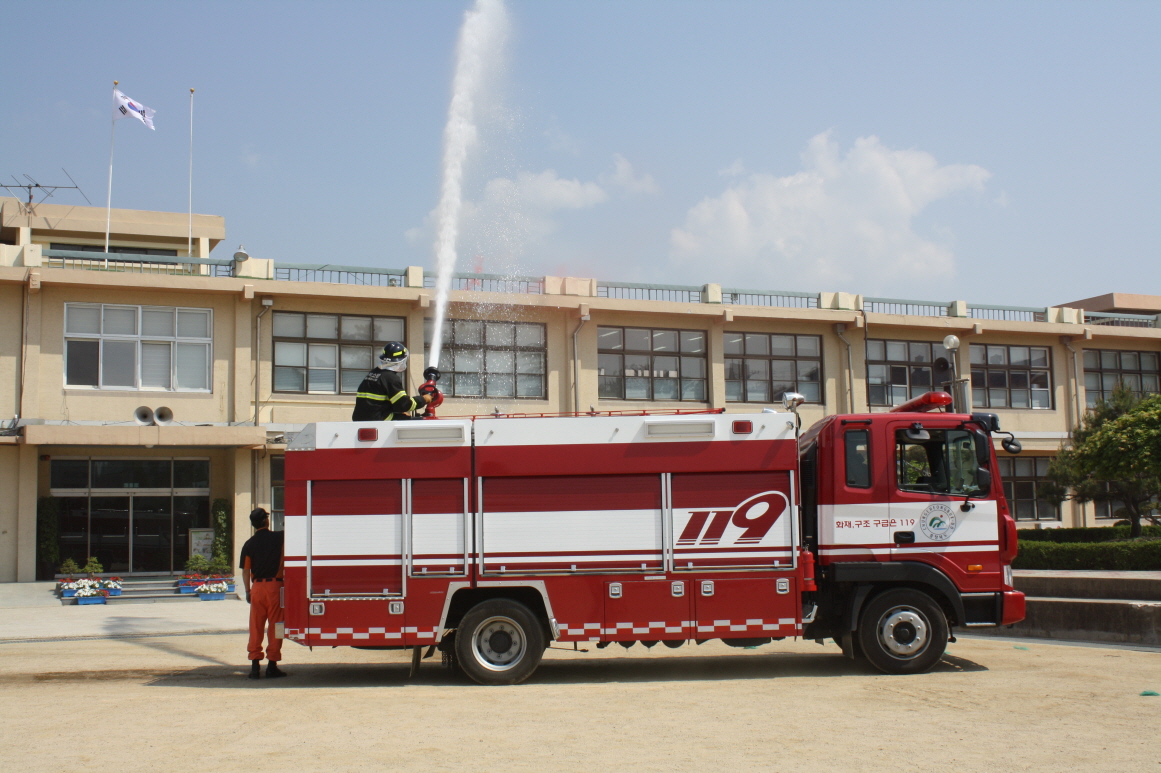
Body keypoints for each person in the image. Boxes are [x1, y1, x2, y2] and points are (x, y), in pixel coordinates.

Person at [240, 507, 286, 679]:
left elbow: (245, 571)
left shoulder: (249, 544)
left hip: (257, 588)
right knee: (277, 626)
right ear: (267, 521)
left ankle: (254, 666)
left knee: (256, 626)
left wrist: (247, 591)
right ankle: (272, 665)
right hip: (276, 587)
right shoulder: (279, 537)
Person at [351, 342, 436, 422]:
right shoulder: (391, 378)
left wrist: (397, 412)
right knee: (412, 422)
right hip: (379, 420)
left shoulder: (374, 373)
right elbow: (404, 405)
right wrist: (424, 399)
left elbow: (376, 403)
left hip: (361, 419)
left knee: (403, 416)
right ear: (401, 360)